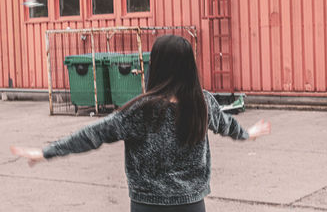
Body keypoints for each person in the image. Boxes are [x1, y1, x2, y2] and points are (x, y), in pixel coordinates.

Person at [11, 35, 271, 212]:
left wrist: (46, 152)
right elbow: (228, 125)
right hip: (192, 204)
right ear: (190, 66)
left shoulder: (141, 110)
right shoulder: (202, 102)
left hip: (147, 205)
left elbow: (93, 134)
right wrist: (249, 134)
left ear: (154, 66)